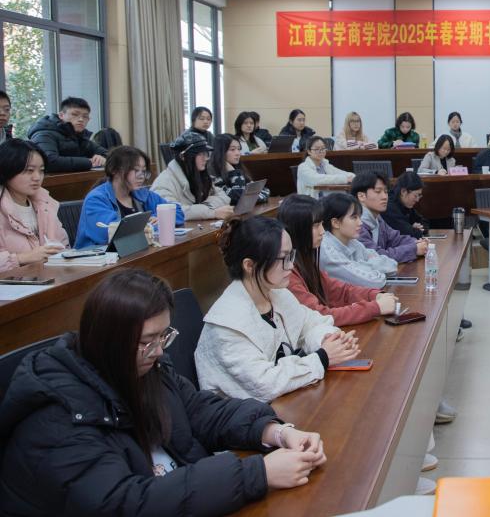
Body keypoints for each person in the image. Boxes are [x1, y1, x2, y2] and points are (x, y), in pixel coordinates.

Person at [0, 268, 327, 516]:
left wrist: (274, 431)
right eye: (147, 341)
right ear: (107, 339)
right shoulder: (57, 419)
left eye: (163, 336)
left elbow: (199, 410)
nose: (158, 351)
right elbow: (124, 503)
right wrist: (258, 474)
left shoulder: (141, 368)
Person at [195, 216, 361, 402]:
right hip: (248, 416)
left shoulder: (277, 294)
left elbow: (311, 323)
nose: (291, 266)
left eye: (291, 255)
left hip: (284, 404)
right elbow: (264, 384)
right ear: (249, 265)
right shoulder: (226, 325)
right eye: (283, 258)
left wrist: (328, 340)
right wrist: (323, 357)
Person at [278, 194, 395, 327]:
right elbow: (319, 315)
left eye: (322, 224)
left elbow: (341, 290)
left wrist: (375, 295)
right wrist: (375, 307)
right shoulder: (287, 271)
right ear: (298, 228)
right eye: (316, 225)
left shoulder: (305, 260)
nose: (322, 231)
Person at [76, 145, 184, 249]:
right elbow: (113, 233)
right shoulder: (95, 199)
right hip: (98, 258)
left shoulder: (141, 193)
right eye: (136, 170)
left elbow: (177, 211)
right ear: (114, 170)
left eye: (143, 171)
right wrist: (154, 225)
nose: (141, 176)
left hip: (134, 253)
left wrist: (160, 218)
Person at [0, 139, 69, 269]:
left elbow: (64, 245)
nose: (37, 177)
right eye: (29, 170)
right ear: (8, 169)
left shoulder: (46, 203)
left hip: (49, 275)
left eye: (41, 170)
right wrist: (23, 258)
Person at [319, 192, 398, 289]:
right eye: (354, 217)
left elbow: (392, 265)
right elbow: (374, 282)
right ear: (336, 223)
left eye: (360, 217)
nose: (360, 223)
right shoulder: (326, 250)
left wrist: (360, 266)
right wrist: (370, 267)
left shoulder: (353, 243)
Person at [151, 132, 233, 221]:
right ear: (183, 156)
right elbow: (172, 211)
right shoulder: (164, 182)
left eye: (206, 153)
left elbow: (224, 197)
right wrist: (212, 212)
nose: (206, 158)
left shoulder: (199, 174)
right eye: (200, 154)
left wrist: (202, 208)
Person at [351, 171, 427, 263]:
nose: (384, 197)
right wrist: (414, 249)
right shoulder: (355, 224)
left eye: (386, 191)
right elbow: (376, 256)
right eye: (378, 191)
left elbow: (395, 238)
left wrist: (417, 243)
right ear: (361, 196)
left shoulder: (377, 219)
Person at [27, 97, 107, 173]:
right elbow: (49, 161)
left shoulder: (81, 136)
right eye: (75, 114)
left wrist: (103, 159)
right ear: (61, 115)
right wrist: (89, 162)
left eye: (85, 116)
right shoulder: (44, 134)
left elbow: (109, 155)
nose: (81, 119)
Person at [209, 134, 270, 207]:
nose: (238, 153)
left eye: (238, 149)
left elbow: (265, 191)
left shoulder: (238, 168)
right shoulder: (212, 175)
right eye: (232, 149)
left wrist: (250, 198)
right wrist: (234, 173)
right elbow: (239, 198)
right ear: (220, 152)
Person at [383, 171, 430, 239]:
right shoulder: (389, 207)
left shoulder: (405, 204)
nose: (417, 200)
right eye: (415, 195)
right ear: (403, 191)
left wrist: (415, 228)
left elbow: (424, 223)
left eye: (419, 196)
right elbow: (407, 234)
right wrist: (413, 229)